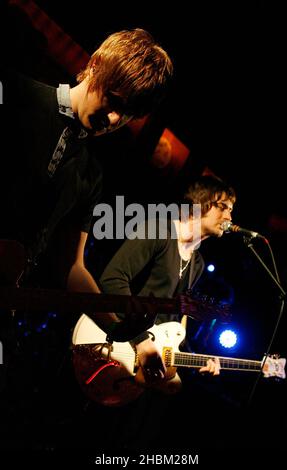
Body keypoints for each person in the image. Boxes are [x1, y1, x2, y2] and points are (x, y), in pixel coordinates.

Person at [0, 27, 173, 451]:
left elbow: (72, 269)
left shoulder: (91, 175)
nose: (114, 119)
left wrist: (133, 338)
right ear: (95, 63)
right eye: (114, 100)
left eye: (128, 113)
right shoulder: (15, 95)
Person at [70, 174, 235, 451]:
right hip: (115, 342)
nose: (230, 214)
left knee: (136, 438)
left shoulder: (197, 262)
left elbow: (174, 323)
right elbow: (113, 279)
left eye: (231, 208)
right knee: (97, 436)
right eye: (224, 206)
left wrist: (197, 361)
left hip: (144, 370)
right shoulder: (159, 230)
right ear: (201, 204)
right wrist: (142, 341)